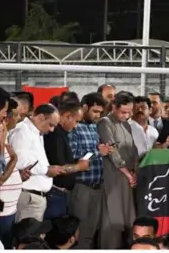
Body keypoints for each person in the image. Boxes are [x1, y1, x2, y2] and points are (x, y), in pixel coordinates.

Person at [9, 104, 66, 222]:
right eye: (51, 125)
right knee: (26, 237)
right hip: (28, 197)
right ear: (40, 117)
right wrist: (46, 170)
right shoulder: (22, 131)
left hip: (35, 198)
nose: (52, 130)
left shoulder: (36, 132)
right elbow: (19, 161)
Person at [68, 92, 110, 249]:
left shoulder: (94, 127)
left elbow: (94, 152)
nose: (97, 115)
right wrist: (99, 152)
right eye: (95, 111)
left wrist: (103, 150)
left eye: (100, 112)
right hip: (82, 187)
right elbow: (73, 156)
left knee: (90, 233)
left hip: (97, 187)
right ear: (84, 107)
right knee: (78, 233)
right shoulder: (75, 127)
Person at [97, 94, 138, 249]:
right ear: (114, 107)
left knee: (128, 221)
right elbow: (111, 151)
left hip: (129, 179)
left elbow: (133, 150)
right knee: (112, 221)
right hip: (113, 177)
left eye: (129, 112)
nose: (126, 116)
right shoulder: (105, 123)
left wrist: (135, 172)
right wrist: (128, 173)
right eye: (123, 112)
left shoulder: (127, 125)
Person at [43, 102, 90, 220]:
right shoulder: (55, 135)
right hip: (55, 193)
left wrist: (76, 162)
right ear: (68, 116)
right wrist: (79, 166)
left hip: (60, 194)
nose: (76, 126)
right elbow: (58, 167)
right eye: (76, 121)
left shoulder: (61, 134)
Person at [0, 99, 22, 249]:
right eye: (14, 115)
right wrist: (14, 158)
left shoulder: (4, 137)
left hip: (9, 209)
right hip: (1, 211)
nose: (18, 118)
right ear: (5, 118)